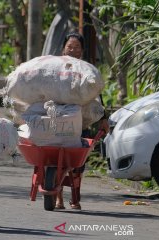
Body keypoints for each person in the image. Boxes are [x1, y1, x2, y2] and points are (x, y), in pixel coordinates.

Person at [56, 32, 109, 210]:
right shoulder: (52, 68)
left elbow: (96, 96)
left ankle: (75, 197)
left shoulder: (87, 70)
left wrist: (103, 118)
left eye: (77, 47)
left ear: (82, 51)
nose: (73, 50)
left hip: (81, 121)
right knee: (57, 161)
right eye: (70, 46)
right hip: (57, 121)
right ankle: (58, 198)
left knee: (78, 163)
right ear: (63, 48)